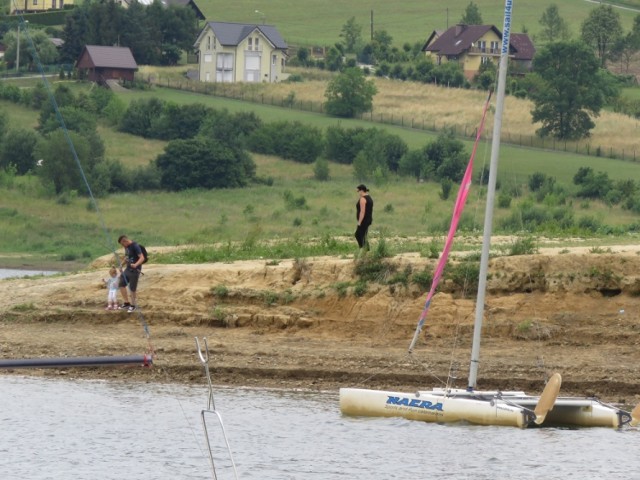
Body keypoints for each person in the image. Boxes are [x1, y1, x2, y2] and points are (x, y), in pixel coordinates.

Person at [117, 235, 144, 312]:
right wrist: (121, 265)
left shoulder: (135, 246)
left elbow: (142, 258)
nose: (122, 246)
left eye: (122, 244)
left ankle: (133, 305)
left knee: (132, 288)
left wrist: (136, 265)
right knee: (121, 284)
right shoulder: (126, 247)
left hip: (135, 270)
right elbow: (127, 257)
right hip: (128, 269)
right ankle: (126, 303)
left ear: (125, 241)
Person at [354, 184, 373, 256]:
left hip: (363, 220)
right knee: (363, 235)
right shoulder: (369, 198)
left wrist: (359, 222)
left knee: (358, 234)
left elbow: (362, 211)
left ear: (361, 190)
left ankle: (364, 249)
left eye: (358, 191)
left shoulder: (363, 199)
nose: (358, 193)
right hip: (368, 219)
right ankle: (365, 250)